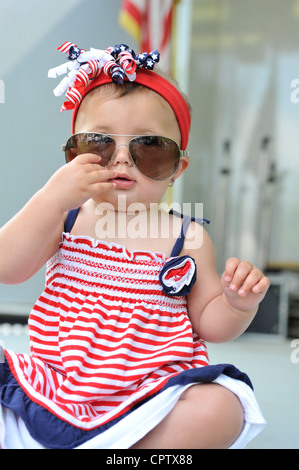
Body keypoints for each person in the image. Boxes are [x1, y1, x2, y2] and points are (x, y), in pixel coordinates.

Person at [0, 42, 269, 449]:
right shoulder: (66, 216)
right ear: (72, 155)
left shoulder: (188, 237)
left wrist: (236, 304)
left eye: (149, 148)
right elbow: (8, 267)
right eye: (98, 144)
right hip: (53, 384)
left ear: (177, 167)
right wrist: (49, 199)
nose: (122, 159)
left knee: (223, 406)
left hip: (149, 396)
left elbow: (209, 324)